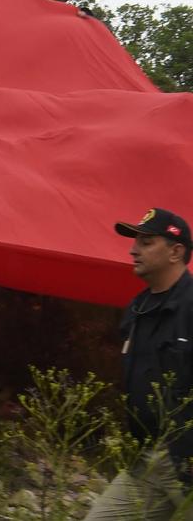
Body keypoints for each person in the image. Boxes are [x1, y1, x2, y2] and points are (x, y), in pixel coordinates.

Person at [84, 208, 193, 519]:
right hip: (150, 457)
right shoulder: (138, 309)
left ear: (176, 251)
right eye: (135, 241)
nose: (133, 249)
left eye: (146, 242)